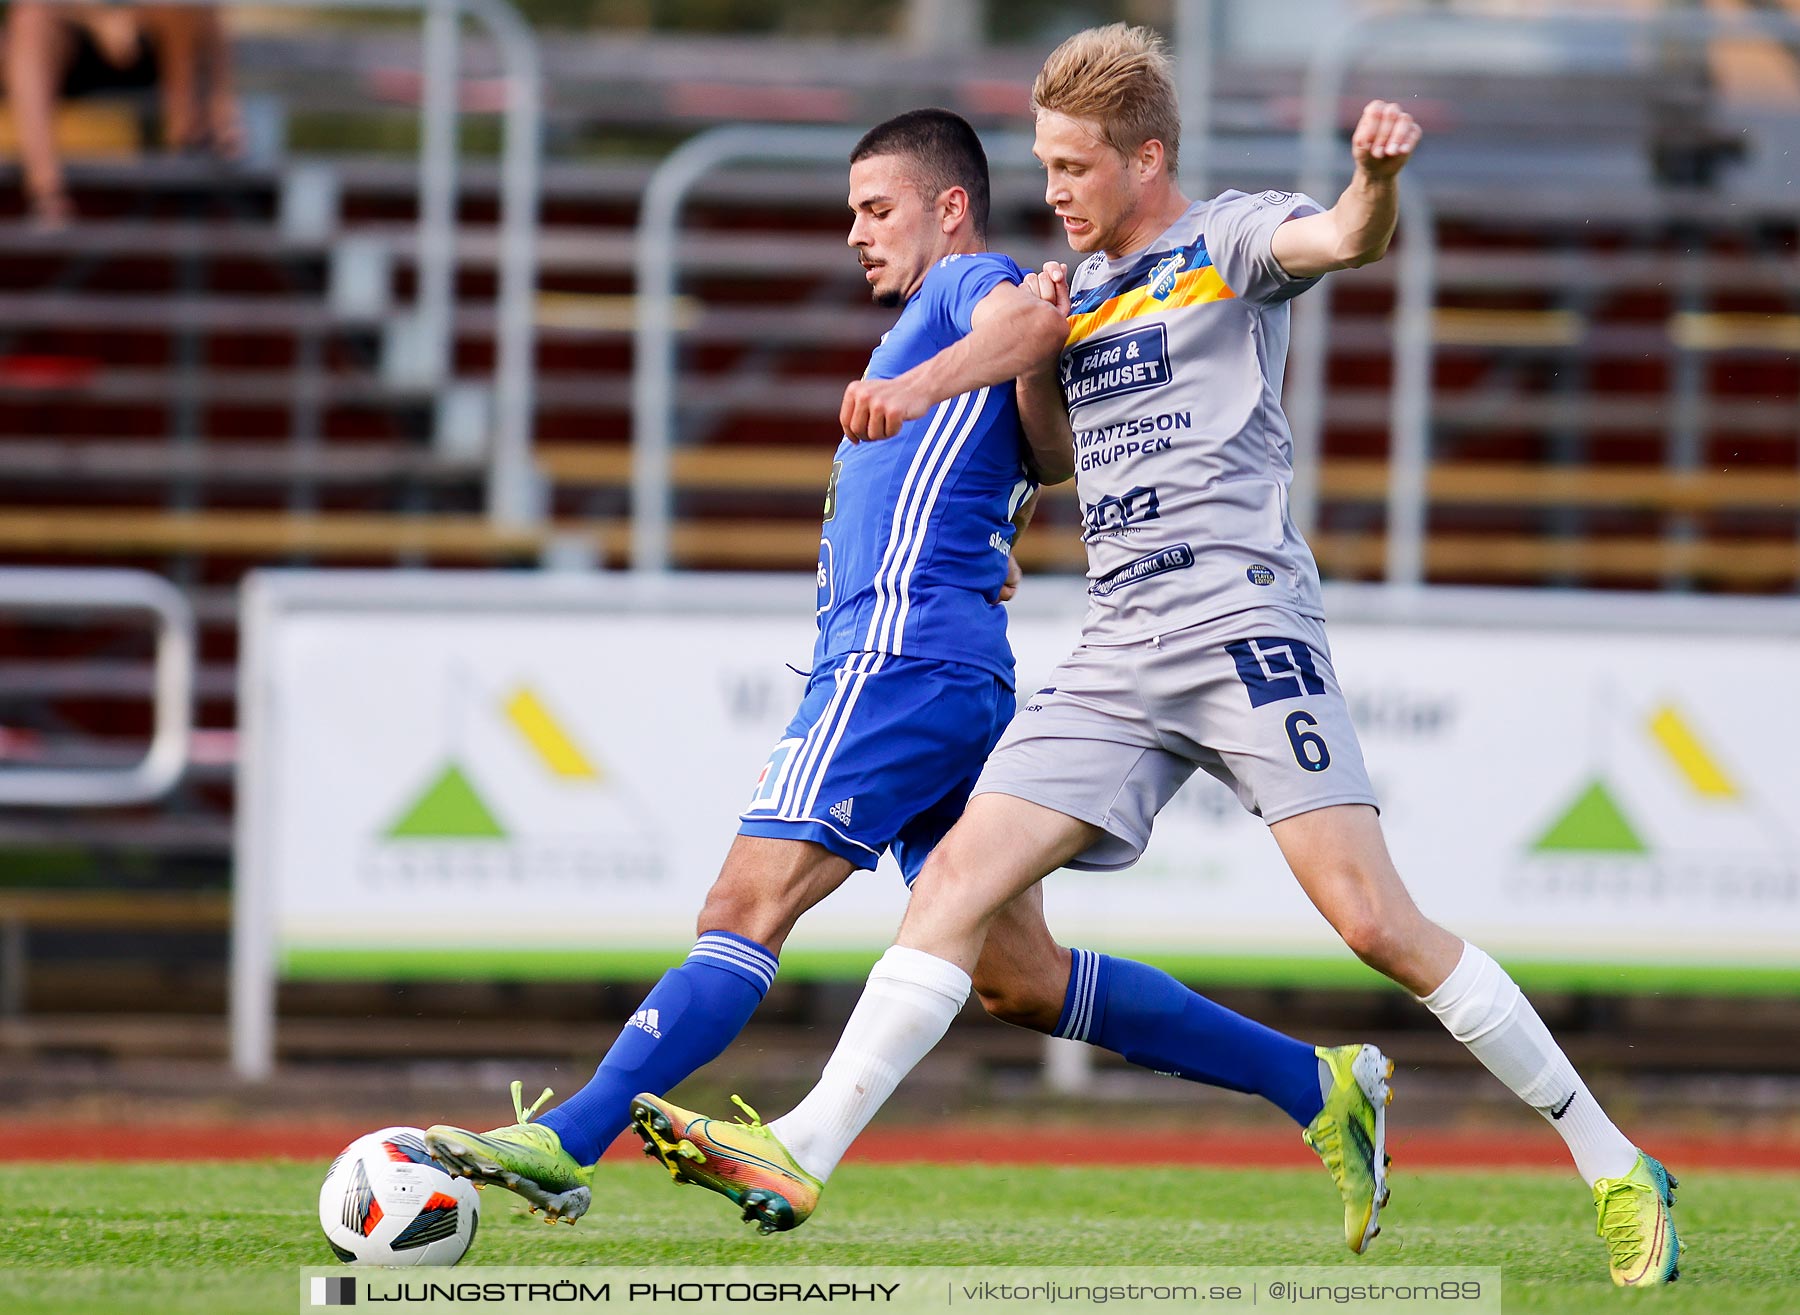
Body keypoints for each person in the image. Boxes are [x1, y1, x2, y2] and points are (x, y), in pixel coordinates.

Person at [628, 27, 1682, 1290]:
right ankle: (802, 1147)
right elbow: (1052, 444)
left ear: (1149, 155)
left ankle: (1617, 1161)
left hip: (1243, 626)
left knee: (1376, 924)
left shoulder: (1230, 238)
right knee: (953, 884)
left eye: (1076, 166)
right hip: (1119, 641)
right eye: (1045, 165)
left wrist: (1379, 180)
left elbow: (1343, 238)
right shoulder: (1081, 287)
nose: (1057, 190)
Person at [424, 106, 1395, 1255]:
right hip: (950, 672)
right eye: (848, 213)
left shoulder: (966, 285)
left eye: (875, 209)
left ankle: (570, 1140)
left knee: (745, 907)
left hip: (899, 660)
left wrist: (930, 382)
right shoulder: (958, 315)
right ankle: (1317, 1082)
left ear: (947, 207)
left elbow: (1031, 320)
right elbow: (1043, 427)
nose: (855, 234)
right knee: (1021, 981)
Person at [4, 2, 241, 227]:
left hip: (154, 39)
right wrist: (99, 19)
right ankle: (46, 193)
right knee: (29, 18)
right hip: (75, 38)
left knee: (177, 5)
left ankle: (186, 142)